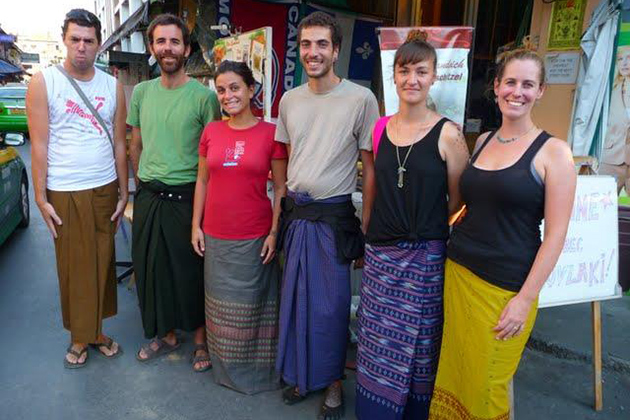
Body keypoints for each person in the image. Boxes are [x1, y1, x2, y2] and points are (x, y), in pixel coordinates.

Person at [428, 49, 576, 420]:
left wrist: (525, 299)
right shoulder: (483, 141)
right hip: (459, 274)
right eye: (510, 82)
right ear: (496, 87)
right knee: (456, 371)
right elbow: (469, 206)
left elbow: (555, 236)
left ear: (540, 91)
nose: (517, 92)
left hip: (506, 288)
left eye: (528, 84)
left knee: (490, 383)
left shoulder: (555, 154)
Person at [355, 31, 469, 420]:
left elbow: (458, 203)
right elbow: (373, 187)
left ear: (434, 76)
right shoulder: (379, 128)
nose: (412, 80)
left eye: (421, 71)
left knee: (420, 344)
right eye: (405, 71)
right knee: (375, 341)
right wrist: (367, 237)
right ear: (395, 75)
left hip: (424, 260)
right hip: (381, 255)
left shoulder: (449, 134)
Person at [274, 11, 380, 419]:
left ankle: (333, 381)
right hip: (297, 216)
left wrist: (366, 223)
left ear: (336, 50)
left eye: (322, 44)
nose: (313, 52)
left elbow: (369, 167)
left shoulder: (360, 99)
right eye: (306, 44)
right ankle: (303, 376)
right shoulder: (290, 99)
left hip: (335, 218)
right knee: (297, 300)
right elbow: (281, 153)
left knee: (331, 308)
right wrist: (282, 196)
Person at [27, 9, 128, 368]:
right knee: (72, 265)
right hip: (64, 189)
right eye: (75, 39)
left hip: (104, 185)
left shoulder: (111, 84)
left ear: (99, 44)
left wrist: (123, 189)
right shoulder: (44, 82)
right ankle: (79, 337)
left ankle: (97, 331)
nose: (81, 47)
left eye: (88, 40)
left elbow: (119, 141)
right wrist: (39, 196)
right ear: (64, 40)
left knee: (102, 262)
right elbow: (39, 144)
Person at [127, 14, 221, 371]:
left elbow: (211, 154)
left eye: (175, 42)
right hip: (150, 195)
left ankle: (200, 340)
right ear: (152, 48)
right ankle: (164, 334)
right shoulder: (142, 92)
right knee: (151, 269)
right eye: (161, 41)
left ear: (187, 48)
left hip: (186, 197)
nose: (168, 48)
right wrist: (141, 183)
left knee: (190, 270)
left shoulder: (203, 97)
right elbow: (135, 144)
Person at [191, 60, 288, 393]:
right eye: (221, 90)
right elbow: (202, 180)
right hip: (216, 237)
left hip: (256, 237)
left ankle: (258, 374)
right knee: (220, 307)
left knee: (255, 308)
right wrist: (196, 226)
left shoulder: (271, 133)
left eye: (234, 87)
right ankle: (226, 369)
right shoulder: (211, 132)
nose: (228, 95)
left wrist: (275, 232)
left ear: (251, 89)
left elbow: (280, 188)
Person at [600, 45, 630, 193]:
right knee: (602, 205)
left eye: (629, 58)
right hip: (611, 158)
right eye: (620, 59)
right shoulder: (609, 92)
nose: (624, 63)